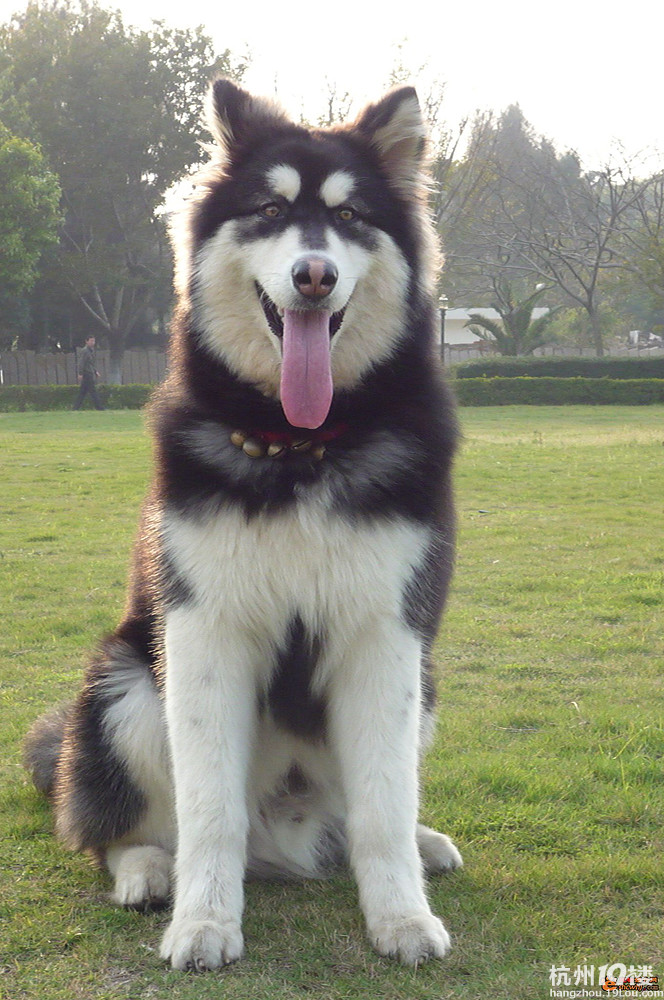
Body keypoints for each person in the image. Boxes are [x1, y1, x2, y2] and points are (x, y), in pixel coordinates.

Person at [73, 336, 104, 410]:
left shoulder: (91, 351)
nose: (93, 343)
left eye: (94, 341)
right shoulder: (85, 351)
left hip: (90, 372)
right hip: (87, 373)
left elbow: (91, 363)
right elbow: (81, 363)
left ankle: (75, 408)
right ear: (86, 341)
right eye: (91, 341)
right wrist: (80, 373)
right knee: (93, 391)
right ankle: (100, 408)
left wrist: (95, 371)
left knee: (82, 393)